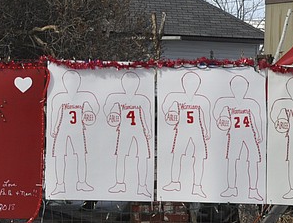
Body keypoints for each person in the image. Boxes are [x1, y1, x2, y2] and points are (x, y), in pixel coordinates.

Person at [159, 70, 211, 198]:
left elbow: (206, 115)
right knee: (177, 155)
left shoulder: (201, 99)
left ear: (198, 85)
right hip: (182, 130)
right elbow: (165, 105)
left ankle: (197, 186)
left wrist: (206, 129)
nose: (190, 86)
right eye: (188, 83)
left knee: (198, 158)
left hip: (197, 130)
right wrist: (170, 112)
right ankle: (175, 182)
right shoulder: (176, 97)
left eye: (193, 83)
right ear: (183, 84)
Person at [103, 71, 153, 197]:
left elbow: (147, 114)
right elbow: (106, 106)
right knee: (121, 156)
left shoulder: (142, 98)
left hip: (139, 130)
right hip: (124, 129)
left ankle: (142, 186)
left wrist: (148, 129)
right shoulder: (118, 97)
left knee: (142, 157)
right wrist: (111, 115)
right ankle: (120, 183)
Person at [213, 73, 263, 201]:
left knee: (253, 161)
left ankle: (253, 189)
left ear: (246, 88)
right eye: (236, 87)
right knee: (231, 160)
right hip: (234, 134)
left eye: (242, 87)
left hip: (249, 133)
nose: (239, 90)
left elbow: (258, 118)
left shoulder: (251, 103)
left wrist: (259, 133)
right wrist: (221, 119)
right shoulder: (226, 101)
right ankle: (231, 188)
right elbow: (216, 111)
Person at [48, 69, 98, 195]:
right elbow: (55, 112)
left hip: (77, 129)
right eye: (69, 81)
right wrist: (54, 127)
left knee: (81, 155)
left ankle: (82, 182)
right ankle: (59, 185)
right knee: (60, 156)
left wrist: (89, 114)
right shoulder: (59, 96)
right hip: (62, 129)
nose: (72, 84)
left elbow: (94, 108)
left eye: (75, 81)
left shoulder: (85, 96)